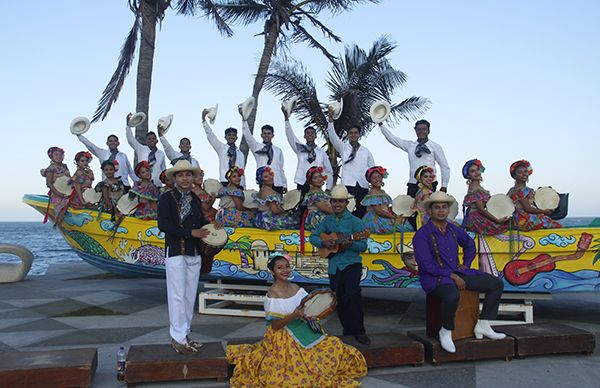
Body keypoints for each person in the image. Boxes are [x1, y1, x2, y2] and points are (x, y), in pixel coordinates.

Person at [226, 252, 367, 387]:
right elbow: (275, 326)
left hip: (303, 327)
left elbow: (309, 306)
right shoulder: (272, 294)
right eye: (280, 268)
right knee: (299, 364)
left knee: (334, 345)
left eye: (287, 266)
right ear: (273, 271)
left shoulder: (296, 287)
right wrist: (294, 315)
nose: (285, 270)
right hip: (283, 336)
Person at [412, 191, 506, 353]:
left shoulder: (454, 229)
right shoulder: (422, 234)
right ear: (430, 211)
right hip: (434, 278)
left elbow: (469, 244)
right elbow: (426, 265)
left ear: (448, 210)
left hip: (456, 272)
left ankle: (483, 324)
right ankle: (446, 331)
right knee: (451, 294)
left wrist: (466, 264)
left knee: (495, 284)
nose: (441, 211)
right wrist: (452, 276)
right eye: (437, 208)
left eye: (444, 207)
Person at [157, 160, 211, 355]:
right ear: (175, 178)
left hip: (194, 252)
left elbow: (201, 221)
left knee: (189, 296)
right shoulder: (167, 198)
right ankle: (178, 338)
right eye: (181, 175)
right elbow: (164, 225)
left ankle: (185, 334)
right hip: (176, 252)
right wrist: (191, 233)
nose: (185, 178)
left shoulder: (195, 199)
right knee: (177, 296)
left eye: (188, 175)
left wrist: (211, 225)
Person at [309, 185, 371, 345]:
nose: (337, 204)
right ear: (331, 202)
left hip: (351, 264)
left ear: (346, 202)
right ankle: (348, 331)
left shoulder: (356, 222)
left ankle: (359, 331)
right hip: (334, 266)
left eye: (341, 201)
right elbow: (313, 237)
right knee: (340, 300)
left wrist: (351, 244)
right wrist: (324, 241)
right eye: (335, 201)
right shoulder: (327, 221)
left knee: (353, 296)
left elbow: (363, 245)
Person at [378, 119, 450, 197]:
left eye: (424, 129)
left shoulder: (435, 147)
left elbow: (444, 166)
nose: (421, 131)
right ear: (415, 130)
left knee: (427, 207)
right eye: (418, 129)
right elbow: (394, 139)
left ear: (428, 131)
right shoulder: (410, 146)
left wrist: (444, 185)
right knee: (411, 207)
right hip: (413, 183)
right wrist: (381, 125)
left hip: (430, 182)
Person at [326, 107, 374, 218]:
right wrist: (330, 121)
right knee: (347, 211)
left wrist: (372, 184)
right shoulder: (343, 148)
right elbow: (332, 136)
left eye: (355, 133)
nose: (353, 135)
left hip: (363, 185)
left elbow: (372, 169)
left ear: (359, 135)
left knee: (361, 211)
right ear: (348, 135)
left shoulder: (366, 151)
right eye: (351, 133)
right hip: (348, 184)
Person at [283, 107, 334, 191]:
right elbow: (290, 136)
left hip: (317, 184)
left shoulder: (321, 152)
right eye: (307, 133)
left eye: (312, 133)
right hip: (302, 183)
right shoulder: (300, 149)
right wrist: (286, 119)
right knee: (301, 203)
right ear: (304, 136)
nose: (310, 134)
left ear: (315, 136)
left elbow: (329, 171)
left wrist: (328, 187)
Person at [241, 108, 287, 194]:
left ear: (273, 135)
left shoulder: (278, 150)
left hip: (278, 183)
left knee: (278, 206)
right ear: (261, 135)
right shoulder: (257, 147)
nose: (266, 135)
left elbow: (281, 168)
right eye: (264, 133)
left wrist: (285, 184)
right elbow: (248, 136)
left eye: (269, 133)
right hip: (264, 181)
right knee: (265, 206)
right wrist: (244, 120)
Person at [507, 160, 562, 230]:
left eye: (525, 171)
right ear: (514, 176)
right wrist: (544, 211)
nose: (524, 174)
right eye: (520, 172)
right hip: (522, 220)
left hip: (515, 220)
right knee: (555, 225)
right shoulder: (518, 190)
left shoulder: (513, 189)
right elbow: (528, 209)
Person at [462, 159, 510, 235]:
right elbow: (481, 209)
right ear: (468, 175)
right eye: (472, 171)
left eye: (477, 169)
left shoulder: (477, 187)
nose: (476, 173)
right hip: (476, 218)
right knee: (501, 226)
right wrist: (497, 220)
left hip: (478, 215)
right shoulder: (475, 189)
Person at [202, 109, 246, 187]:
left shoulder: (240, 154)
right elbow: (211, 136)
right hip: (225, 181)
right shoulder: (221, 148)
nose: (231, 137)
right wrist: (204, 120)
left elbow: (242, 170)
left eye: (233, 135)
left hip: (239, 183)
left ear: (236, 137)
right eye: (229, 135)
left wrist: (244, 186)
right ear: (225, 137)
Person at [361, 166, 407, 234]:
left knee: (404, 224)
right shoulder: (373, 192)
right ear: (370, 181)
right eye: (374, 178)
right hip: (376, 219)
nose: (377, 179)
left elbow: (385, 208)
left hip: (384, 215)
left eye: (379, 177)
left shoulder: (382, 192)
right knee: (401, 228)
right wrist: (393, 217)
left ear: (382, 177)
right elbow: (378, 211)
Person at [125, 113, 166, 186]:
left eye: (154, 138)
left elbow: (163, 169)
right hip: (143, 184)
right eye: (149, 139)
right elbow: (130, 140)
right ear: (146, 141)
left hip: (157, 184)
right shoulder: (141, 149)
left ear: (157, 141)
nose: (151, 140)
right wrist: (128, 126)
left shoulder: (161, 153)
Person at [254, 166, 299, 230]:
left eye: (270, 174)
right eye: (266, 177)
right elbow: (275, 210)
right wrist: (286, 211)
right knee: (295, 220)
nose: (270, 177)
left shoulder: (263, 189)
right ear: (261, 180)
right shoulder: (269, 191)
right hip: (268, 220)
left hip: (261, 218)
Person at [40, 147, 71, 225]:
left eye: (61, 155)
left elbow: (69, 179)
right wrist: (59, 194)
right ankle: (61, 223)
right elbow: (49, 184)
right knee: (62, 208)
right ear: (51, 157)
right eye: (56, 155)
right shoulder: (51, 169)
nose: (59, 157)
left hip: (68, 191)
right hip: (57, 194)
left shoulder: (64, 166)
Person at [301, 166, 333, 231]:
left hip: (325, 217)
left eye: (320, 176)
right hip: (317, 219)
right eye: (315, 178)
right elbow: (325, 209)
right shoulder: (313, 194)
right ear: (311, 181)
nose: (319, 179)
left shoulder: (323, 193)